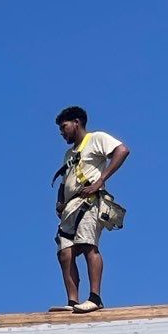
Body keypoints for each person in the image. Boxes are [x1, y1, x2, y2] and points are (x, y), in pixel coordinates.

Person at [52, 106, 130, 313]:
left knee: (88, 245)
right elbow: (64, 181)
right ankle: (73, 302)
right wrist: (60, 202)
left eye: (64, 127)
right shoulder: (70, 153)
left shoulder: (96, 138)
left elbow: (122, 151)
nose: (62, 133)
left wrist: (100, 180)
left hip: (89, 201)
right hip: (70, 206)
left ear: (76, 123)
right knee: (65, 253)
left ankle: (95, 298)